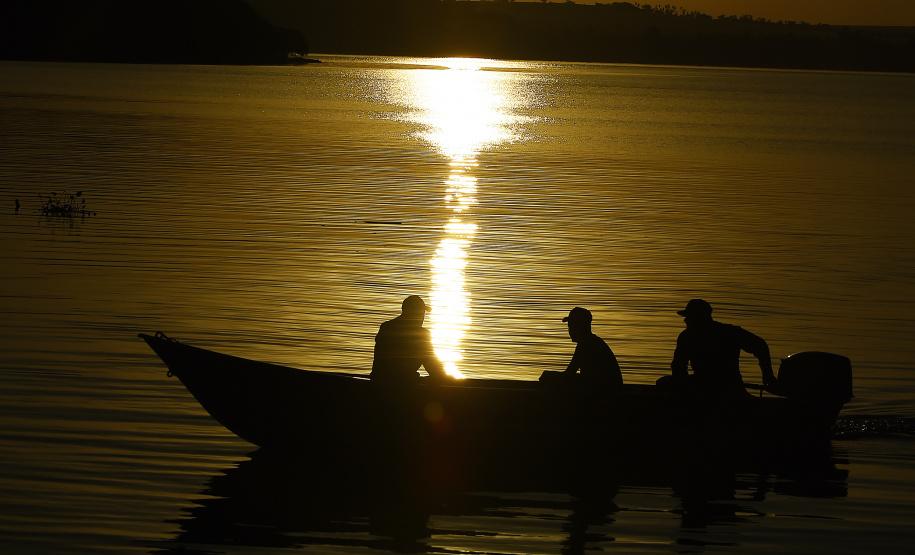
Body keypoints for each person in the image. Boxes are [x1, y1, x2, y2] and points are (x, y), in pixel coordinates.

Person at [664, 299, 776, 395]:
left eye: (689, 316)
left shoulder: (687, 336)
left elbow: (678, 368)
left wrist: (684, 389)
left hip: (712, 387)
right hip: (729, 387)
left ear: (699, 317)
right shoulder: (730, 332)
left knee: (663, 383)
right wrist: (768, 375)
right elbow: (761, 346)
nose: (685, 320)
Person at [371, 295, 448, 381]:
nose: (423, 317)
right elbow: (434, 368)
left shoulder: (386, 327)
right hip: (402, 384)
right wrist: (449, 379)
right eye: (421, 313)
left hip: (378, 380)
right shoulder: (421, 335)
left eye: (423, 313)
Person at [559, 307, 623, 388]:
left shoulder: (586, 345)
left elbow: (570, 372)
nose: (570, 330)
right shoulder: (592, 342)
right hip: (604, 387)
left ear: (581, 326)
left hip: (604, 391)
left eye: (572, 326)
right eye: (569, 326)